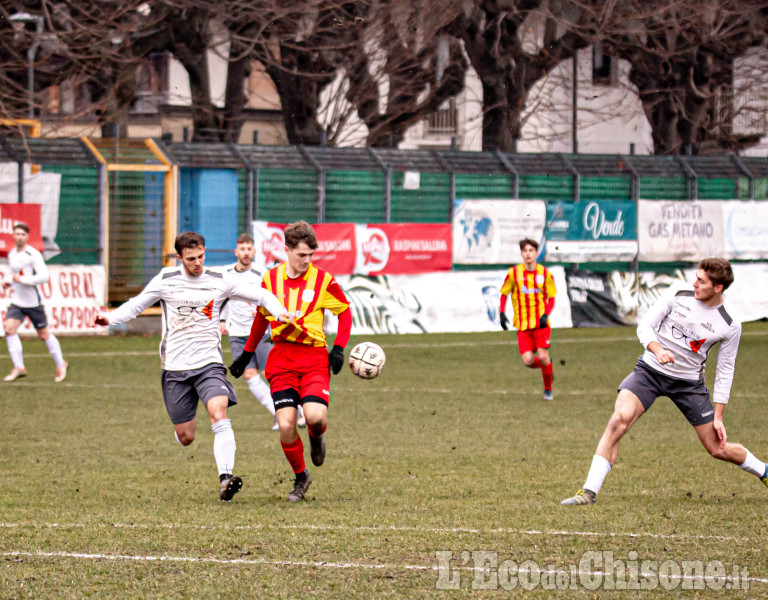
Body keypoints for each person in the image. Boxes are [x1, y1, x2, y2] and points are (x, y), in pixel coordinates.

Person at [91, 231, 291, 502]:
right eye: (190, 259)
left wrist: (280, 312)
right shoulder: (166, 279)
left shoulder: (220, 280)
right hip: (175, 367)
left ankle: (225, 479)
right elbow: (137, 304)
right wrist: (109, 318)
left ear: (204, 252)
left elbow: (262, 296)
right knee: (186, 437)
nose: (197, 263)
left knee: (219, 412)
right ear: (179, 257)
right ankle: (183, 431)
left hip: (209, 364)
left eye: (200, 256)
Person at [562, 258, 768, 506]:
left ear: (718, 288)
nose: (694, 284)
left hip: (688, 385)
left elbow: (726, 370)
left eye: (701, 281)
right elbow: (645, 326)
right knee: (618, 420)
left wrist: (719, 416)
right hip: (649, 371)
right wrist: (658, 350)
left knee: (717, 448)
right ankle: (588, 492)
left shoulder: (730, 324)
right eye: (696, 277)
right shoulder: (677, 293)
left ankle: (764, 471)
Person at [229, 220, 352, 502]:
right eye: (301, 255)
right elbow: (261, 317)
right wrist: (247, 354)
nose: (306, 261)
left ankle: (316, 435)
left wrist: (339, 349)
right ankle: (301, 477)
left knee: (316, 417)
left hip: (313, 358)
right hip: (282, 358)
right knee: (285, 425)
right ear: (286, 250)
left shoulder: (323, 280)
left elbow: (344, 313)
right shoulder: (270, 280)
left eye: (310, 255)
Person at [219, 233, 305, 431]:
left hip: (261, 332)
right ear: (236, 252)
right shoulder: (227, 274)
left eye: (249, 249)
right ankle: (277, 412)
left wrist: (264, 310)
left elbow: (273, 297)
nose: (246, 253)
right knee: (249, 374)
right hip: (237, 333)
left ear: (254, 251)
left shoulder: (261, 273)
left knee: (270, 374)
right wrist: (223, 320)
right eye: (242, 249)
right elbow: (222, 298)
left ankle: (297, 408)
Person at [2, 222, 68, 383]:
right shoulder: (12, 254)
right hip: (17, 301)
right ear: (13, 235)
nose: (19, 237)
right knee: (9, 329)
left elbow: (44, 276)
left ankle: (61, 364)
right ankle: (19, 367)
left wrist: (23, 280)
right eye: (17, 234)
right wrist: (9, 281)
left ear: (27, 237)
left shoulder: (33, 255)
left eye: (23, 235)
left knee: (44, 334)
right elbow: (16, 275)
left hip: (33, 303)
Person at [498, 238, 556, 400]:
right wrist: (501, 313)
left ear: (536, 253)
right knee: (528, 360)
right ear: (522, 254)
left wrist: (546, 315)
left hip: (541, 324)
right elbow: (504, 294)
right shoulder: (513, 274)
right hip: (523, 325)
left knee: (543, 356)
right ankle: (548, 368)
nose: (528, 254)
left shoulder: (545, 274)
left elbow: (551, 298)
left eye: (531, 251)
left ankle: (548, 390)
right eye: (525, 251)